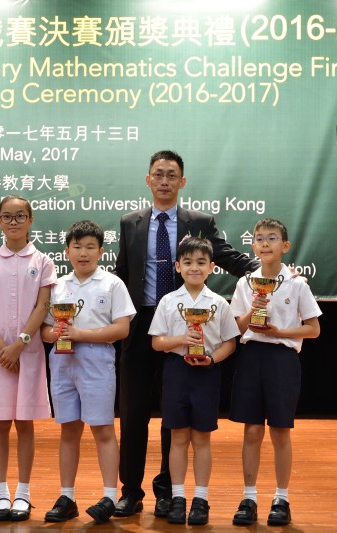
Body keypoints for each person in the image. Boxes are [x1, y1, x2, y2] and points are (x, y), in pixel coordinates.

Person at [113, 149, 259, 518]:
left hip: (184, 326)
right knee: (132, 413)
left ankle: (168, 492)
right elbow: (121, 273)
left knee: (173, 416)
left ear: (182, 181)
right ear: (148, 179)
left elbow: (226, 256)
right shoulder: (130, 223)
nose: (164, 181)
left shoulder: (199, 222)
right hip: (141, 327)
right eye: (158, 174)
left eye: (171, 175)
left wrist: (267, 269)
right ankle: (130, 491)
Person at [40, 220, 136, 525]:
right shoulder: (56, 286)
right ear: (67, 251)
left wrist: (79, 334)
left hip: (96, 359)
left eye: (90, 247)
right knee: (68, 430)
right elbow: (44, 330)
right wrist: (55, 334)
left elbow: (122, 329)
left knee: (103, 429)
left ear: (101, 252)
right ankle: (67, 497)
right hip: (62, 361)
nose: (83, 253)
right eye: (77, 247)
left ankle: (109, 496)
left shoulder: (112, 284)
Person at [0, 195, 57, 522]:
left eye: (20, 216)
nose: (14, 222)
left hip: (28, 353)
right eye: (7, 216)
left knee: (25, 423)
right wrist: (1, 347)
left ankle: (23, 493)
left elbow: (43, 306)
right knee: (0, 423)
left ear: (30, 220)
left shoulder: (43, 262)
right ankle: (1, 493)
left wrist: (19, 343)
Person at [229, 217, 321, 527]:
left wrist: (280, 331)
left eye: (272, 238)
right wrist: (252, 310)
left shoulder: (296, 283)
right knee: (252, 431)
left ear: (285, 246)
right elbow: (235, 327)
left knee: (280, 431)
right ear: (253, 246)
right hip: (251, 357)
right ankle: (249, 498)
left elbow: (313, 329)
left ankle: (282, 498)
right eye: (259, 238)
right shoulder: (245, 283)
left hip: (282, 359)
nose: (265, 243)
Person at [148, 236, 240, 526]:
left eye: (201, 262)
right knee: (177, 437)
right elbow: (157, 343)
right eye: (187, 262)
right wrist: (181, 339)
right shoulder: (168, 301)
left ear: (212, 267)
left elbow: (230, 343)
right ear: (178, 267)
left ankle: (201, 498)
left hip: (207, 373)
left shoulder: (218, 303)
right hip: (176, 371)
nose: (194, 268)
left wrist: (211, 359)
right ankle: (178, 497)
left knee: (201, 438)